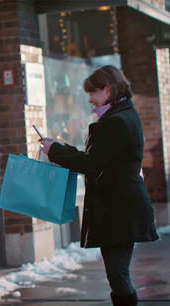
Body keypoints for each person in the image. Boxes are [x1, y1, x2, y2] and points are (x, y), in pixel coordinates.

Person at [40, 65, 159, 306]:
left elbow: (92, 163)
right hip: (120, 209)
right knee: (117, 274)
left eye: (92, 93)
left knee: (118, 274)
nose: (90, 100)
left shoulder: (116, 121)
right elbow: (97, 158)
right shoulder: (121, 115)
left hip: (119, 210)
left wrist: (55, 151)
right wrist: (60, 149)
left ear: (107, 89)